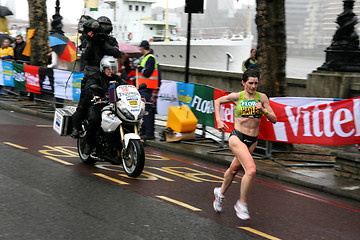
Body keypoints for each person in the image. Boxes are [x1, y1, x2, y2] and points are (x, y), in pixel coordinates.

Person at [212, 69, 277, 220]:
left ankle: (220, 193)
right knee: (251, 170)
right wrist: (219, 120)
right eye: (250, 83)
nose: (253, 86)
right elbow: (217, 101)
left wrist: (264, 110)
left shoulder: (262, 98)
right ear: (243, 83)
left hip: (252, 141)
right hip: (237, 137)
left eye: (256, 83)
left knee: (234, 169)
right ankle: (241, 204)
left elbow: (274, 119)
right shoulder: (237, 96)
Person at [71, 56, 128, 154]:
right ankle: (89, 143)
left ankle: (117, 143)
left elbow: (126, 87)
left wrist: (137, 94)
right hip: (98, 104)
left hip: (113, 105)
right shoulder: (95, 77)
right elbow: (89, 88)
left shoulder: (117, 79)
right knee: (94, 119)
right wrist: (96, 96)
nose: (111, 71)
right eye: (108, 69)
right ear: (103, 68)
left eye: (113, 69)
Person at [136, 40, 160, 141]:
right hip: (145, 88)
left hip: (148, 88)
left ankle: (148, 133)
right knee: (144, 111)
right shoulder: (148, 58)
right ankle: (144, 132)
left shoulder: (150, 58)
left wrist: (139, 67)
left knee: (147, 111)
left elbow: (147, 72)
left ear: (142, 48)